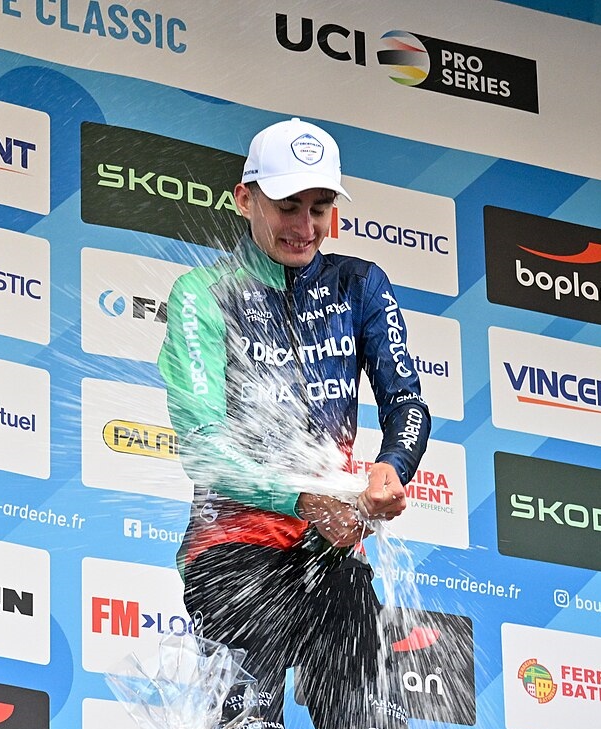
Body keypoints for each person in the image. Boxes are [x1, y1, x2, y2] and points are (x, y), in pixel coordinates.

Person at [158, 117, 430, 729]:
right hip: (232, 549)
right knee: (250, 723)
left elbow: (406, 404)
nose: (305, 227)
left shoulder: (359, 284)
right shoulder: (204, 293)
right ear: (244, 199)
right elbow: (202, 448)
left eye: (320, 207)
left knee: (368, 722)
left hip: (330, 548)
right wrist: (301, 498)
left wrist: (393, 466)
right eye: (287, 207)